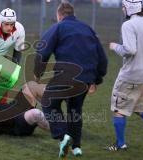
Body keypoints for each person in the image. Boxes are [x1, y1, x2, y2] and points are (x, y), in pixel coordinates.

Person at [33, 2, 108, 158]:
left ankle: (63, 135)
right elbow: (102, 58)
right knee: (75, 110)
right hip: (85, 78)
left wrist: (37, 73)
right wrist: (97, 79)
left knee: (48, 102)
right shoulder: (88, 29)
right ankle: (76, 147)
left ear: (59, 15)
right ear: (74, 14)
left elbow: (42, 50)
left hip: (65, 75)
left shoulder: (59, 27)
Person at [108, 0, 143, 151]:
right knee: (142, 109)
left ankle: (120, 144)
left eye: (123, 7)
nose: (122, 10)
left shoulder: (128, 25)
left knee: (119, 109)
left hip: (132, 75)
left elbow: (130, 50)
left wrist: (115, 46)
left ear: (128, 8)